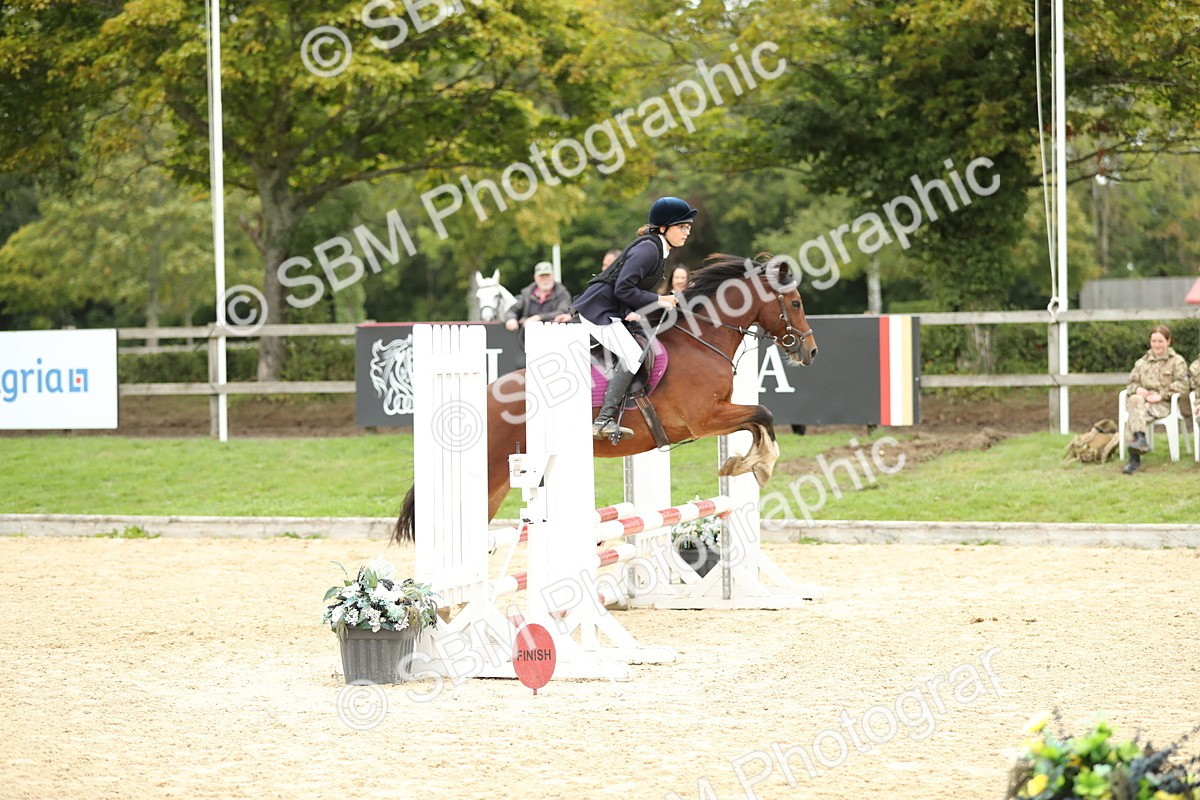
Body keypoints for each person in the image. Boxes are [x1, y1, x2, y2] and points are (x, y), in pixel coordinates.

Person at [572, 196, 696, 441]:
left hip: (612, 309)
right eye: (682, 227)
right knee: (632, 354)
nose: (686, 232)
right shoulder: (648, 249)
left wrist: (636, 310)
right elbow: (623, 288)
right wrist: (660, 300)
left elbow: (628, 291)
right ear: (663, 228)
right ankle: (603, 420)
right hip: (599, 310)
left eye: (688, 228)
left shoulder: (658, 249)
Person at [1121, 324, 1189, 474]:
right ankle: (1140, 440)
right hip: (1142, 405)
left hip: (1163, 404)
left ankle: (1134, 459)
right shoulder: (1141, 362)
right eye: (1154, 341)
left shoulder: (1177, 361)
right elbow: (1131, 383)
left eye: (1160, 341)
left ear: (1168, 341)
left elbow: (1183, 385)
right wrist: (1138, 389)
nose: (1156, 345)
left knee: (1133, 412)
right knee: (1134, 400)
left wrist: (1162, 394)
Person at [503, 262, 573, 337]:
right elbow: (512, 310)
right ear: (535, 277)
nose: (545, 279)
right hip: (528, 338)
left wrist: (538, 317)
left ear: (553, 276)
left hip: (555, 336)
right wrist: (511, 319)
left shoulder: (563, 294)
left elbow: (562, 312)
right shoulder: (526, 294)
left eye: (548, 275)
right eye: (542, 276)